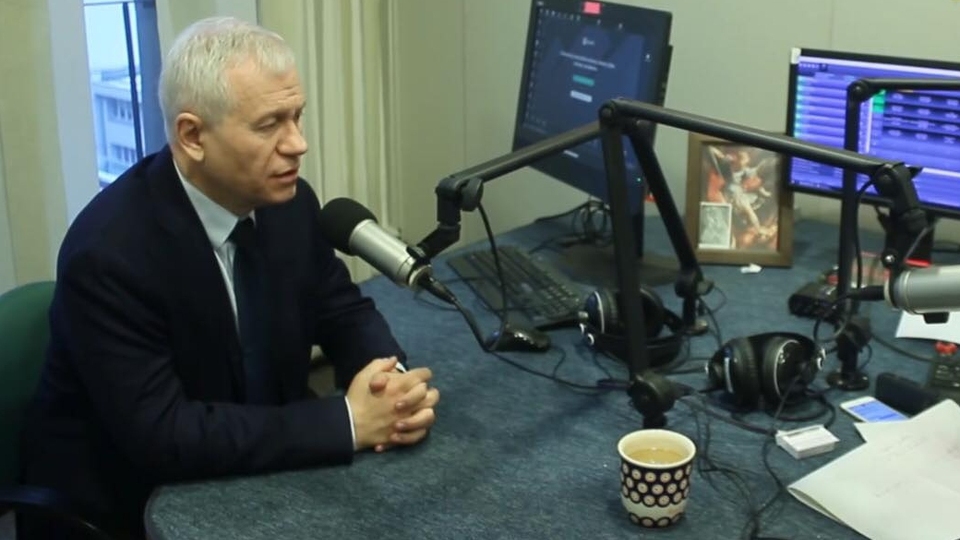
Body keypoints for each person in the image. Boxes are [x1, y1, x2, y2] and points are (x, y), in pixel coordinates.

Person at [18, 17, 439, 539]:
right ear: (192, 136)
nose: (298, 144)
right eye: (269, 125)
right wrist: (349, 421)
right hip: (136, 502)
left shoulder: (289, 205)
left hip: (259, 470)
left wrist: (389, 384)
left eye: (297, 117)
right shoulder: (108, 255)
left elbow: (342, 310)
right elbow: (163, 435)